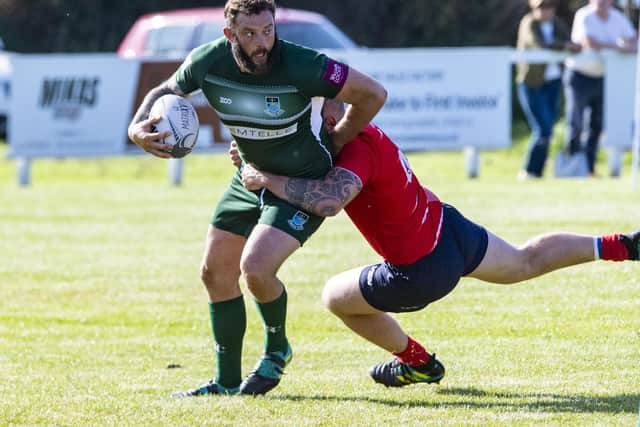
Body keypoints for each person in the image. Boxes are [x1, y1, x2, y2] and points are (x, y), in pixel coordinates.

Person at [238, 98, 640, 388]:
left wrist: (265, 178)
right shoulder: (362, 130)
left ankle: (419, 364)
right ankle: (621, 246)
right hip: (449, 229)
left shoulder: (354, 150)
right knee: (524, 261)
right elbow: (314, 170)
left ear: (328, 119)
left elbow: (327, 200)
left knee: (334, 298)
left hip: (421, 269)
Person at [127, 0, 387, 397]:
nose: (262, 42)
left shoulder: (300, 64)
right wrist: (136, 129)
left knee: (257, 269)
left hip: (300, 181)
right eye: (249, 34)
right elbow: (164, 90)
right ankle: (226, 382)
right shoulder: (208, 60)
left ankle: (277, 347)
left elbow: (372, 93)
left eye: (268, 30)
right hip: (249, 177)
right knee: (214, 273)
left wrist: (338, 138)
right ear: (229, 34)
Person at [563, 0, 637, 176]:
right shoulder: (584, 15)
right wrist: (618, 47)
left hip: (601, 76)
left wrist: (626, 46)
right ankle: (573, 167)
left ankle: (589, 168)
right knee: (576, 121)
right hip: (579, 74)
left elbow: (633, 40)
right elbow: (589, 42)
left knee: (596, 124)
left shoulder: (617, 18)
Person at [516, 0, 580, 179]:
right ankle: (529, 170)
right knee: (542, 129)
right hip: (531, 83)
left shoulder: (556, 24)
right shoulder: (528, 23)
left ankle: (537, 172)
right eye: (541, 7)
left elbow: (569, 40)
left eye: (549, 7)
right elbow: (539, 44)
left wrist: (571, 45)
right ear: (534, 9)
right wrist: (564, 46)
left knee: (548, 130)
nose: (546, 11)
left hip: (552, 82)